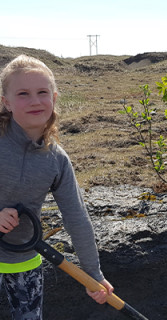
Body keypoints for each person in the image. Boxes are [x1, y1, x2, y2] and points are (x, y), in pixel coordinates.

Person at [0, 55, 113, 319]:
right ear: (6, 102)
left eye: (42, 92)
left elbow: (77, 219)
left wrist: (93, 275)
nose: (35, 101)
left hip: (23, 259)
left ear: (54, 97)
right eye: (23, 94)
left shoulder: (57, 159)